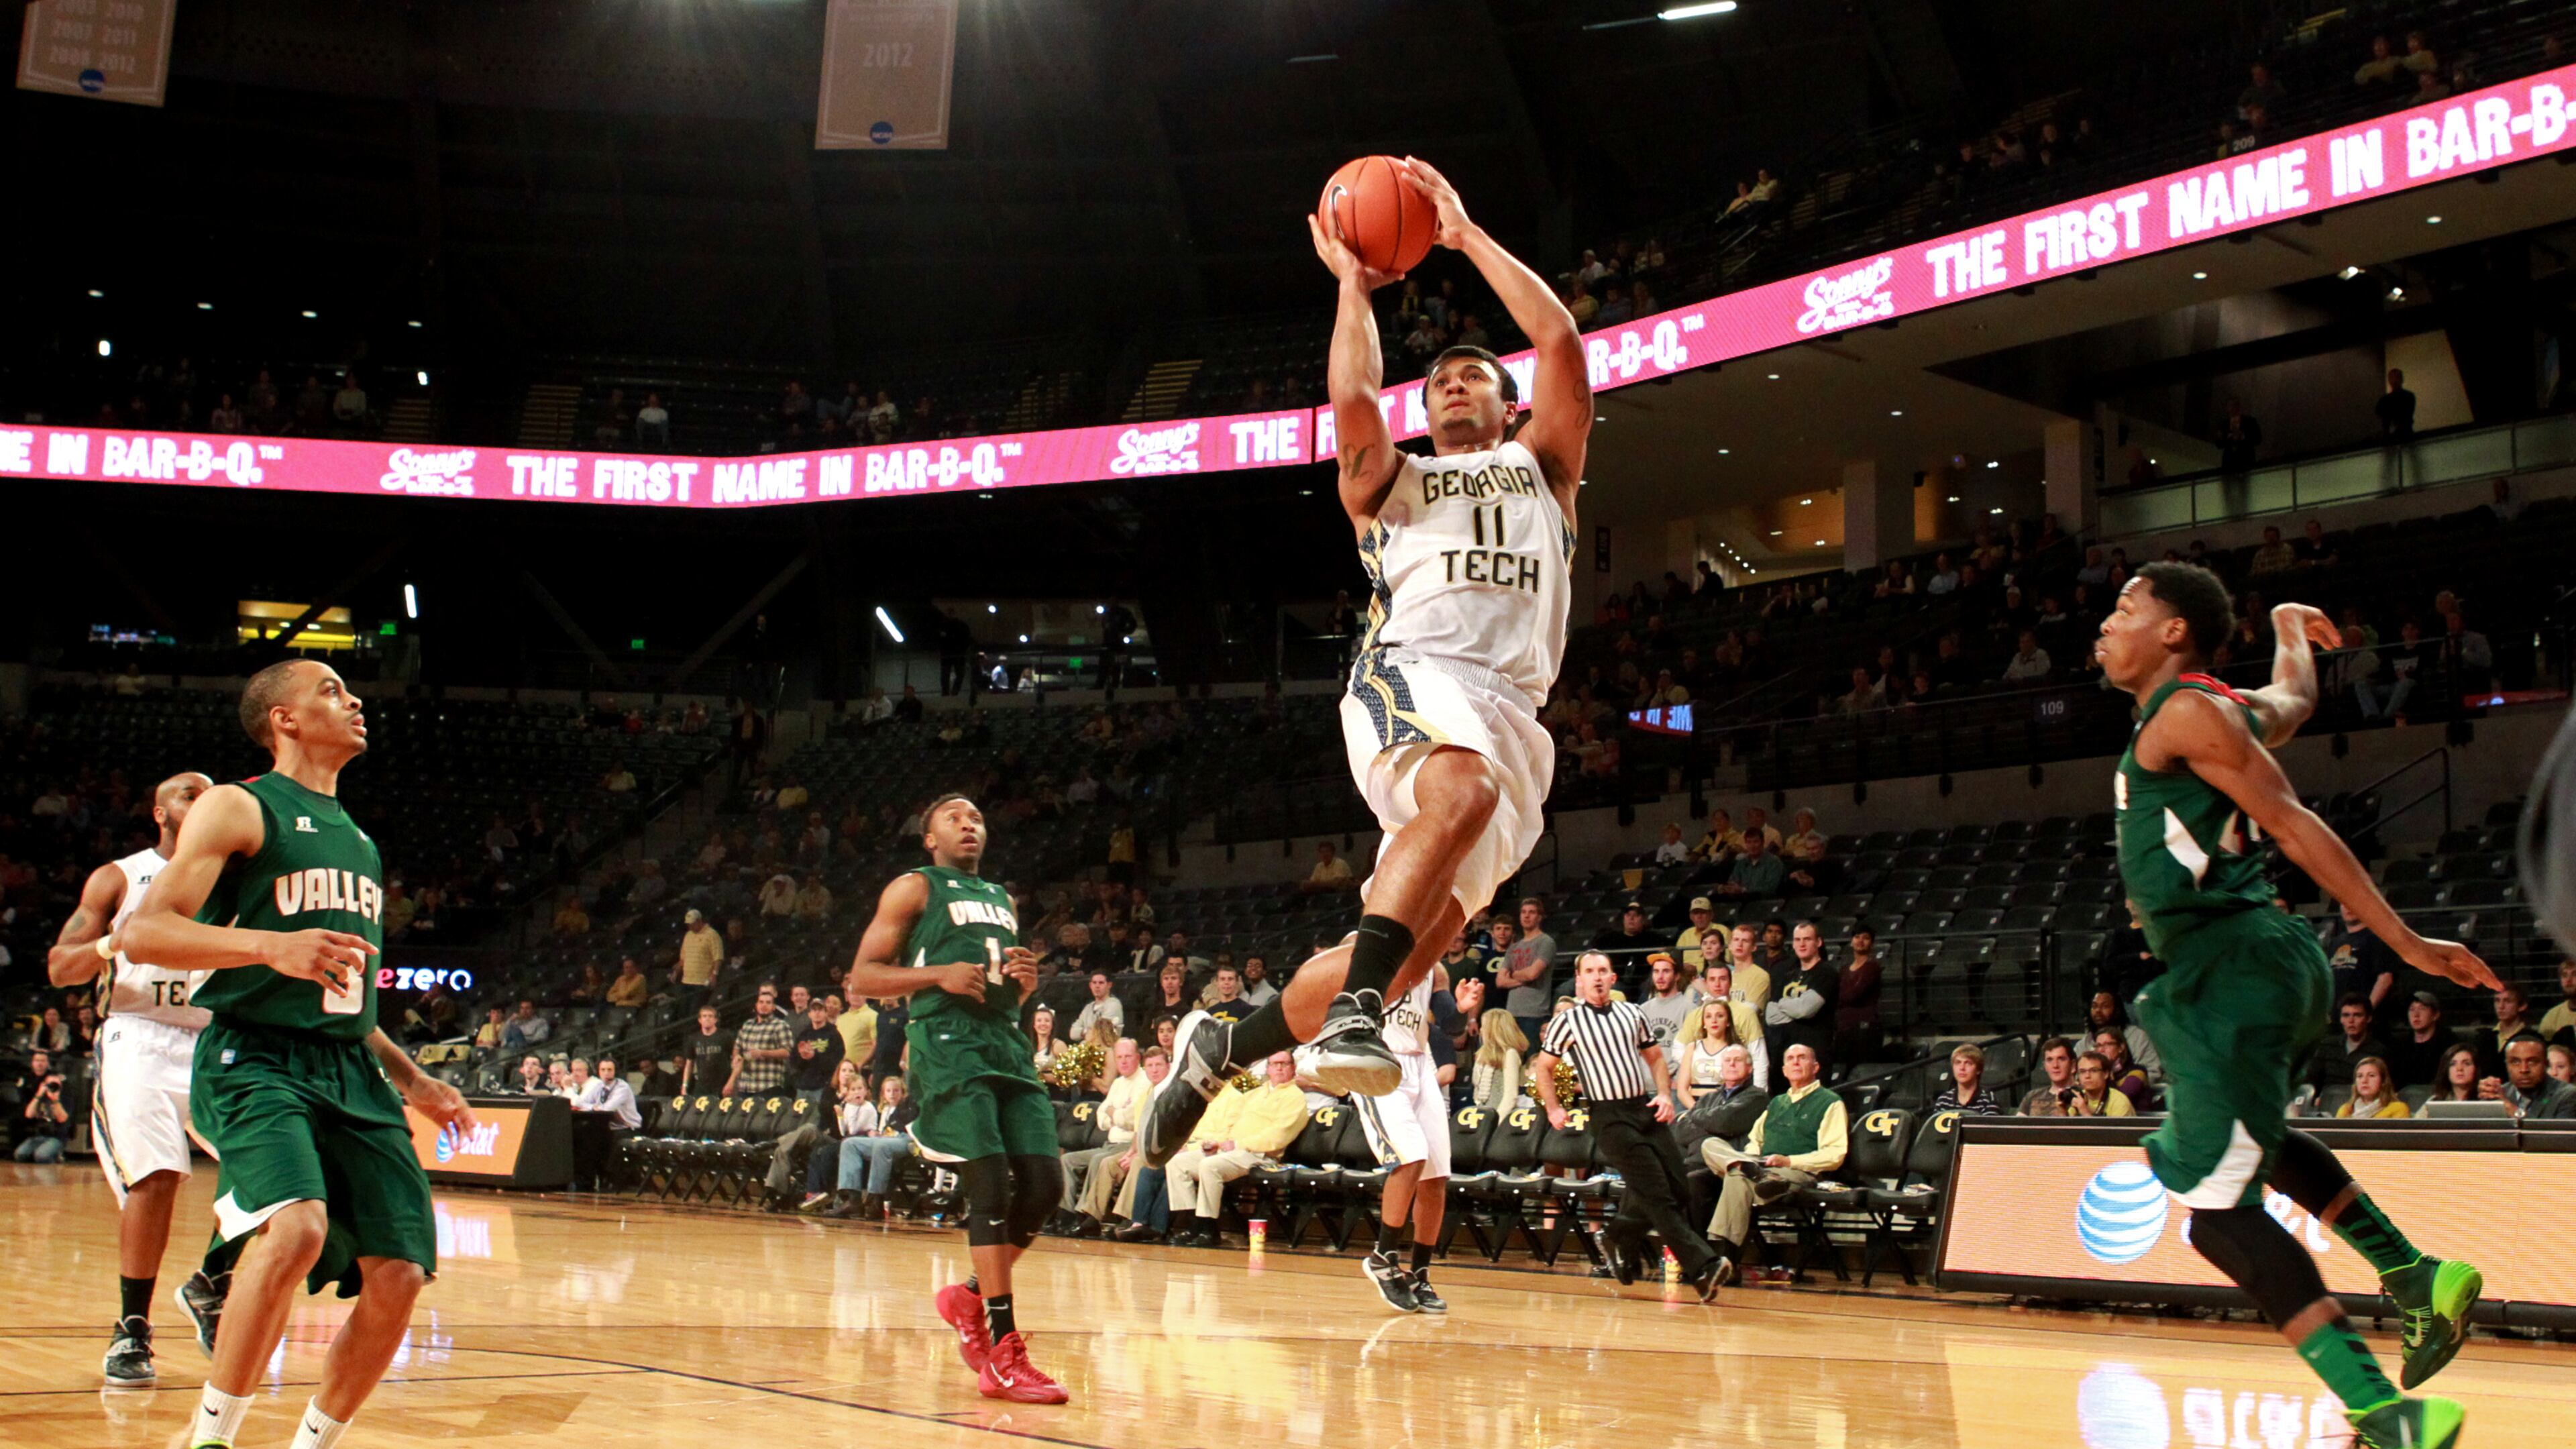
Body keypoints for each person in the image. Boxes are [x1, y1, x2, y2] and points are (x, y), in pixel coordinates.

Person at [1140, 157, 1591, 1166]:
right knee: (1459, 793)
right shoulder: (1396, 482)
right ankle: (1349, 1018)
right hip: (1413, 677)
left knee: (1403, 958)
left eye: (1475, 375)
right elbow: (1352, 396)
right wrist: (1352, 285)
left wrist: (1464, 233)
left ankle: (1226, 1044)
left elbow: (1560, 340)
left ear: (1510, 406)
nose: (1453, 386)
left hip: (1516, 720)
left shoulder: (1544, 471)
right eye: (1438, 381)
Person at [2096, 563, 2496, 1447]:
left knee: (2219, 1222)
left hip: (2232, 968)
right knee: (2260, 1150)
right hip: (2248, 968)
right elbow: (2293, 698)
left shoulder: (2186, 713)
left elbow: (2291, 820)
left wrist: (2407, 943)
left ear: (2172, 632)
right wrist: (2286, 624)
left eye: (2127, 607)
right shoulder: (2215, 706)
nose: (2107, 622)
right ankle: (2415, 1276)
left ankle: (2382, 1413)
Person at [119, 661, 476, 1449]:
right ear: (283, 718)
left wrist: (415, 1079)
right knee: (300, 1228)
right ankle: (210, 1435)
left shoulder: (359, 840)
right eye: (329, 690)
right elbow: (142, 933)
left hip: (348, 1067)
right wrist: (267, 947)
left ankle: (312, 1443)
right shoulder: (239, 805)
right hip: (256, 1057)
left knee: (402, 1274)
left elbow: (342, 993)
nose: (352, 700)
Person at [840, 794, 1067, 1404]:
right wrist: (934, 975)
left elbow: (1000, 993)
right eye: (955, 818)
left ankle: (967, 1297)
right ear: (930, 837)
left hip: (1004, 1043)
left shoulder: (1002, 898)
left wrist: (1023, 989)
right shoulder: (914, 888)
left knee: (1046, 1185)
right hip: (946, 1043)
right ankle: (1003, 1351)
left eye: (978, 819)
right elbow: (863, 976)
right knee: (990, 1180)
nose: (970, 825)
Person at [43, 769, 225, 1385]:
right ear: (159, 812)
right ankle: (133, 1330)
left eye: (209, 794)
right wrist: (109, 946)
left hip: (215, 1036)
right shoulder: (120, 876)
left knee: (266, 1168)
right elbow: (59, 969)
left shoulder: (235, 877)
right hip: (140, 1035)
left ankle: (211, 1283)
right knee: (157, 1179)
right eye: (188, 793)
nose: (201, 801)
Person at [1532, 953, 1729, 1299]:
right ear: (1579, 979)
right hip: (1608, 1117)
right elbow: (1544, 1068)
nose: (1596, 978)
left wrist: (1666, 1096)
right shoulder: (1569, 1021)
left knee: (1679, 1187)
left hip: (1643, 1107)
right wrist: (1553, 1107)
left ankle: (1617, 1235)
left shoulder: (1632, 1012)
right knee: (1658, 1195)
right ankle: (1704, 1267)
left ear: (1613, 977)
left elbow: (1654, 1058)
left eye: (1602, 971)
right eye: (1589, 972)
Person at [1356, 962, 1456, 1313]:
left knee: (1436, 1173)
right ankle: (1383, 1259)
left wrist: (1463, 1007)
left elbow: (1453, 1025)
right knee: (1410, 1156)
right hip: (1376, 1058)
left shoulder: (1436, 967)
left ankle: (1420, 1273)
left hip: (1419, 1062)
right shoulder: (1366, 943)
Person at [1703, 1042, 1845, 1278]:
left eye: (1802, 1058)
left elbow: (1835, 1155)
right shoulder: (1776, 1102)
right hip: (1761, 1168)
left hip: (1795, 1173)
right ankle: (1750, 1171)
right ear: (1784, 1070)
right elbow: (1755, 1141)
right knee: (1711, 1145)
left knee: (1736, 1179)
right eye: (1791, 1059)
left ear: (1816, 1066)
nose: (1796, 1062)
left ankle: (1725, 1263)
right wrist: (1750, 1159)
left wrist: (1789, 1161)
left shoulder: (1830, 1102)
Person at [1162, 1051, 1307, 1248]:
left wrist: (1238, 1145)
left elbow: (1278, 1137)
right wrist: (1215, 1143)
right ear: (1268, 1069)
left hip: (1260, 1155)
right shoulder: (1256, 1093)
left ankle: (1210, 1229)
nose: (1279, 1068)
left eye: (1284, 1063)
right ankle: (1193, 1225)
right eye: (1275, 1064)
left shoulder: (1296, 1097)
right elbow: (1231, 1124)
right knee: (1177, 1163)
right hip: (1231, 1151)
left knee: (1209, 1166)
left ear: (1293, 1068)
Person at [1060, 1038, 1146, 1234]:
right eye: (1119, 1057)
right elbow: (1101, 1117)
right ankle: (1065, 1214)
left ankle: (1087, 1216)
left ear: (1138, 1058)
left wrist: (1114, 1113)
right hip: (1109, 1143)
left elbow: (1133, 1119)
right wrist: (1116, 1113)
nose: (1123, 1061)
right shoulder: (1116, 1083)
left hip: (1127, 1146)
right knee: (1067, 1160)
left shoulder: (1145, 1082)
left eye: (1128, 1057)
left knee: (1100, 1160)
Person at [1762, 922, 1838, 1086]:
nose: (1801, 944)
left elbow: (1805, 1010)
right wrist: (1794, 1008)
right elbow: (1770, 1015)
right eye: (1798, 940)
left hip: (1815, 1056)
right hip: (1785, 1055)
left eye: (1807, 939)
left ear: (1818, 942)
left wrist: (1782, 1003)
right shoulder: (1787, 975)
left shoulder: (1826, 973)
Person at [2308, 995, 2387, 1093]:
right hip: (2327, 1102)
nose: (2351, 1021)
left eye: (2357, 1015)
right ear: (2341, 1019)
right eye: (2346, 1015)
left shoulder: (2379, 1052)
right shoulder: (2327, 1045)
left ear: (2368, 1018)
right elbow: (2311, 1080)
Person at [2489, 1033, 2576, 1119]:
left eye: (2532, 1062)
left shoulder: (2568, 1096)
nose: (2524, 1069)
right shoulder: (2500, 1094)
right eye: (2515, 1062)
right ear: (2507, 1065)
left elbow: (2556, 1133)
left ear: (2546, 1064)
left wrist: (2512, 1110)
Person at [1470, 1010, 1528, 1110]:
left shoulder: (1510, 1054)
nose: (1481, 1030)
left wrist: (1497, 1121)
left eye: (1484, 1026)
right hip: (1483, 1114)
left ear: (1495, 1030)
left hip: (1500, 1117)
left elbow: (1511, 1096)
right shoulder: (1481, 1055)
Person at [1931, 1042, 2006, 1115]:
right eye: (1958, 1063)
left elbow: (1988, 1128)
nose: (1962, 1068)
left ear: (1978, 1070)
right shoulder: (1944, 1100)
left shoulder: (1988, 1100)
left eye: (1968, 1063)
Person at [2019, 1036, 2084, 1116]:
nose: (2055, 1065)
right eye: (2050, 1060)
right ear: (2045, 1066)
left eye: (2061, 1059)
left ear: (2073, 1065)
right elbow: (2016, 1126)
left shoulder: (2083, 1095)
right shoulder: (2031, 1096)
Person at [2338, 1058, 2410, 1119]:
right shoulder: (2346, 1110)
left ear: (2383, 1082)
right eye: (2360, 1076)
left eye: (2371, 1076)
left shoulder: (2398, 1108)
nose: (2364, 1081)